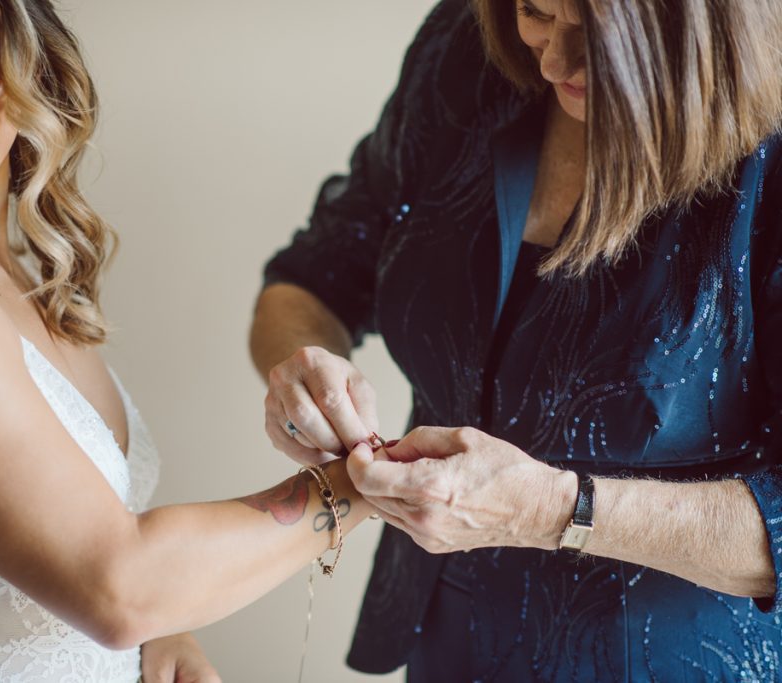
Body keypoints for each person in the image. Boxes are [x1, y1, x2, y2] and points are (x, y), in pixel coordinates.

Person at [0, 0, 377, 681]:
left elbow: (75, 559)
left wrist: (166, 631)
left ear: (29, 51)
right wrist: (365, 485)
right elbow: (119, 588)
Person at [251, 0, 782, 680]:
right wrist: (300, 368)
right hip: (448, 640)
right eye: (535, 10)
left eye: (593, 33)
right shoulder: (465, 52)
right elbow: (318, 270)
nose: (553, 60)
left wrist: (552, 507)